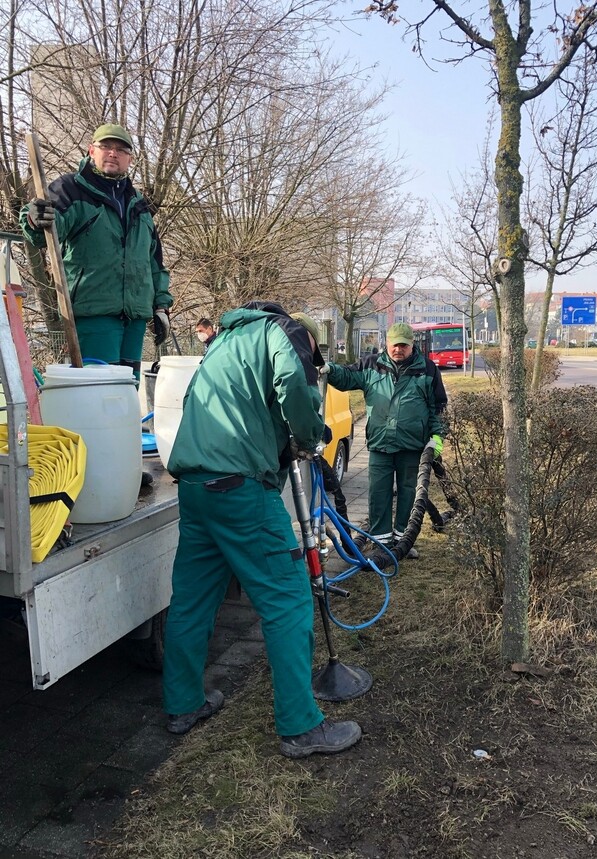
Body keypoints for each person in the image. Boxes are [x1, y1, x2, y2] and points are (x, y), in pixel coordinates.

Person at [162, 300, 362, 758]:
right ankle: (300, 726)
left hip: (194, 485)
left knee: (192, 601)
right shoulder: (284, 332)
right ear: (307, 339)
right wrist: (308, 436)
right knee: (288, 599)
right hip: (241, 490)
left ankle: (183, 704)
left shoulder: (225, 341)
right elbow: (294, 384)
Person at [20, 123, 173, 381]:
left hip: (134, 318)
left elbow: (154, 261)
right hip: (93, 313)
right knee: (98, 388)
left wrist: (161, 306)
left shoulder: (139, 204)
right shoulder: (70, 190)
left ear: (130, 159)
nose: (113, 153)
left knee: (127, 389)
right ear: (92, 150)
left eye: (121, 150)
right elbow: (45, 229)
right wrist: (34, 218)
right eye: (106, 147)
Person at [322, 322, 447, 558]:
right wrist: (328, 369)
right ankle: (381, 543)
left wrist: (437, 437)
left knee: (409, 493)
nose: (398, 349)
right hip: (380, 444)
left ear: (412, 345)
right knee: (378, 493)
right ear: (386, 343)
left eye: (403, 345)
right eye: (394, 345)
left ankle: (403, 542)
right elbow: (346, 376)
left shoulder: (427, 369)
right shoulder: (371, 365)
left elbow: (438, 407)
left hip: (413, 445)